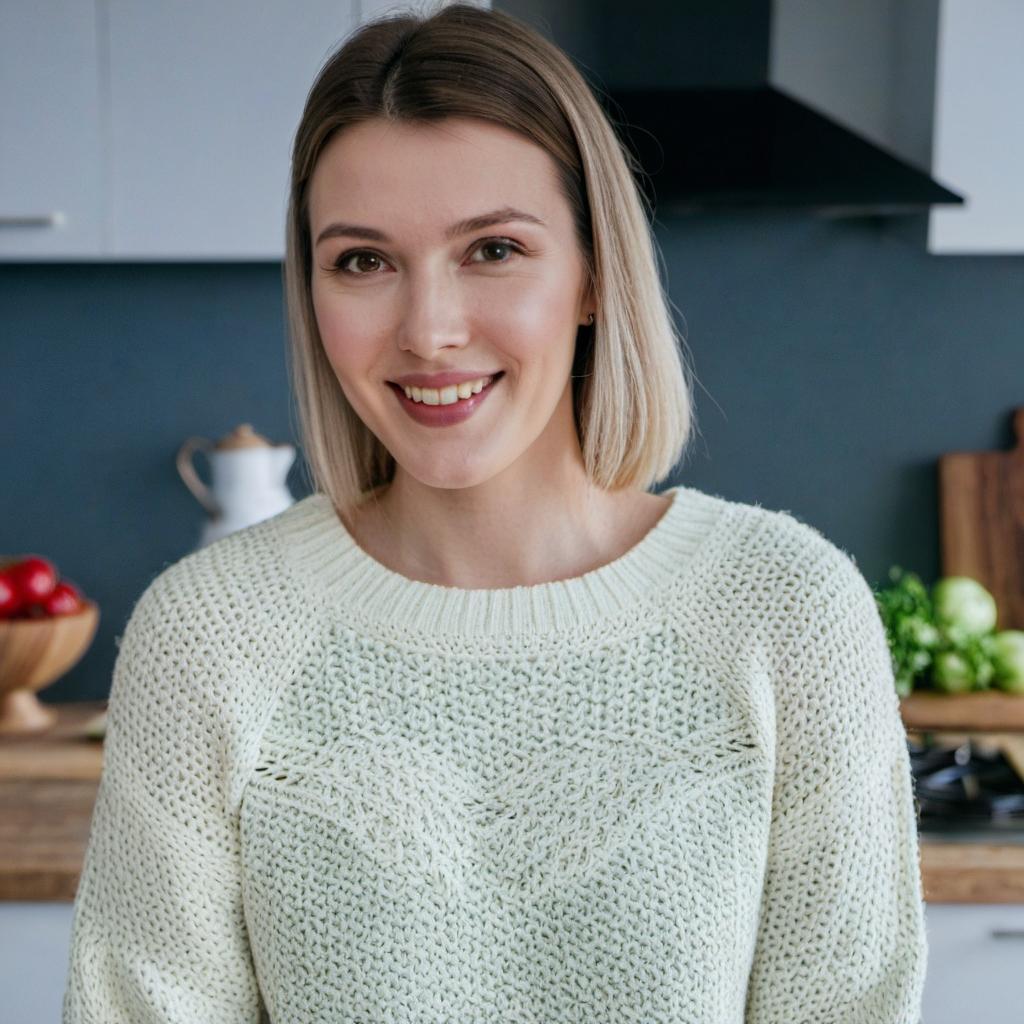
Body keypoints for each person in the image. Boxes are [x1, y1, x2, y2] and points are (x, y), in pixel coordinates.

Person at [62, 3, 928, 1022]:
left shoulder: (785, 607)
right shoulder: (211, 632)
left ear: (594, 273)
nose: (428, 328)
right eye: (363, 260)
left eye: (493, 250)